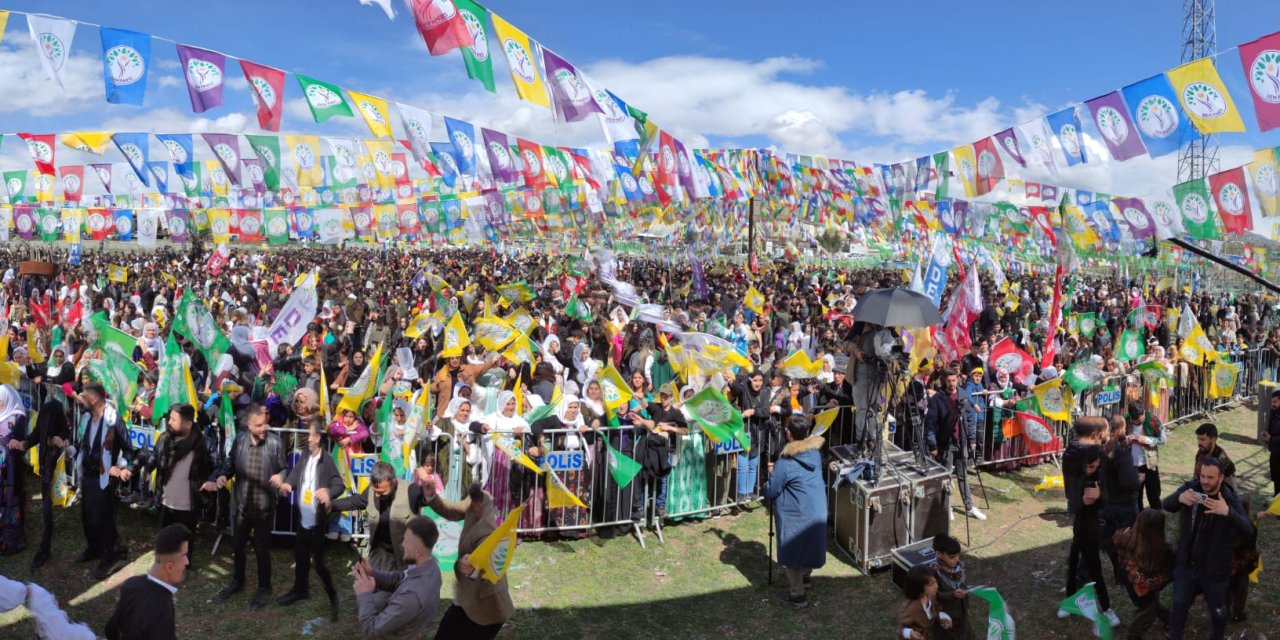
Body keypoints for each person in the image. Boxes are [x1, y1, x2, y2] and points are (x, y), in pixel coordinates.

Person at [203, 403, 288, 610]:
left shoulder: (275, 443)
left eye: (265, 424)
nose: (263, 429)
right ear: (249, 425)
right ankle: (238, 581)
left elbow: (285, 468)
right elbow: (229, 464)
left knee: (261, 550)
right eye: (259, 425)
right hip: (241, 506)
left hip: (264, 507)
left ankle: (264, 587)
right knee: (238, 546)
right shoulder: (240, 442)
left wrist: (281, 476)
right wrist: (222, 476)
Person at [1163, 457, 1253, 640]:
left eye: (1210, 477)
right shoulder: (1192, 487)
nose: (1204, 481)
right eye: (1202, 476)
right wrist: (1179, 498)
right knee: (1179, 605)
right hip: (1186, 564)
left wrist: (1227, 512)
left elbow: (1248, 529)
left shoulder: (1228, 497)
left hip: (1215, 570)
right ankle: (1175, 635)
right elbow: (1167, 505)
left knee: (1217, 609)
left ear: (1221, 478)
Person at [422, 481, 515, 640]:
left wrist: (473, 569)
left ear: (480, 505)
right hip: (467, 599)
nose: (470, 508)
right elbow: (452, 510)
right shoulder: (475, 502)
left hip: (486, 607)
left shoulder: (487, 531)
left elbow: (490, 567)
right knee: (446, 629)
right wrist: (431, 496)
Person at [276, 417, 346, 620]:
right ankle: (300, 590)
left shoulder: (327, 460)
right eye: (307, 435)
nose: (308, 439)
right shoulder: (306, 455)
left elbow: (339, 485)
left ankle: (333, 596)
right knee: (300, 556)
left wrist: (328, 492)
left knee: (319, 564)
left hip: (317, 522)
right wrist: (288, 484)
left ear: (318, 437)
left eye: (311, 435)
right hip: (303, 519)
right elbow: (297, 472)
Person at [132, 405, 214, 575]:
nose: (169, 422)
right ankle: (163, 564)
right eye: (170, 418)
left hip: (189, 503)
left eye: (173, 419)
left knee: (185, 538)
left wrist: (213, 480)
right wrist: (147, 468)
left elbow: (216, 465)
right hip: (166, 499)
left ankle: (184, 567)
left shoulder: (203, 444)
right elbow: (155, 456)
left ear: (188, 423)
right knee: (164, 537)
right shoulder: (165, 438)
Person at [66, 382, 135, 581]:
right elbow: (83, 444)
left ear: (94, 398)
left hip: (104, 477)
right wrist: (72, 450)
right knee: (87, 515)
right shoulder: (87, 419)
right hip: (87, 474)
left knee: (102, 518)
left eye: (84, 395)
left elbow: (129, 450)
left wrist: (120, 466)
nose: (81, 399)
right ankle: (94, 548)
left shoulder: (114, 421)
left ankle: (111, 554)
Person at [763, 416, 826, 609]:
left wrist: (771, 475)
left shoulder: (786, 461)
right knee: (809, 544)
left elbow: (772, 491)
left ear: (789, 433)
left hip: (797, 513)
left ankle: (797, 594)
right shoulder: (814, 453)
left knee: (793, 549)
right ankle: (806, 577)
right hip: (816, 509)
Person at [351, 516, 442, 640]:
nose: (402, 544)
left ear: (418, 551)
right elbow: (401, 579)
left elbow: (370, 629)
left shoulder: (411, 597)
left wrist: (364, 594)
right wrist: (372, 573)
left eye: (406, 540)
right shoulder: (431, 567)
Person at [330, 461, 427, 577]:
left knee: (405, 591)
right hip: (381, 554)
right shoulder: (372, 490)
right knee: (376, 591)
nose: (377, 496)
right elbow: (356, 501)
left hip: (406, 558)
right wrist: (331, 505)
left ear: (393, 482)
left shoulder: (411, 490)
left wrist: (425, 479)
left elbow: (429, 498)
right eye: (375, 491)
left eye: (382, 492)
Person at [1059, 445, 1119, 626]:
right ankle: (1069, 603)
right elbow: (1073, 503)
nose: (1088, 470)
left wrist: (1100, 496)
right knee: (1072, 567)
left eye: (1091, 467)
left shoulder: (1102, 478)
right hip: (1079, 531)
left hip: (1093, 534)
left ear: (1098, 463)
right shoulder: (1080, 476)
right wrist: (1082, 502)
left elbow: (1107, 502)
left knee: (1096, 573)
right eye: (1086, 466)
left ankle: (1107, 609)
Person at [11, 395, 71, 569]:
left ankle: (46, 546)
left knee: (49, 504)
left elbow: (66, 432)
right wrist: (24, 443)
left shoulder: (57, 407)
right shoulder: (46, 408)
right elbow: (38, 432)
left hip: (55, 463)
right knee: (46, 505)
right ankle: (45, 545)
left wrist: (61, 439)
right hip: (46, 462)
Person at [105, 523, 191, 640]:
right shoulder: (162, 611)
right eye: (184, 555)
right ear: (169, 567)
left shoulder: (132, 584)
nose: (187, 562)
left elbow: (111, 629)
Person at [925, 369, 984, 520]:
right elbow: (930, 423)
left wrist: (972, 439)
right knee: (946, 477)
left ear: (957, 379)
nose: (952, 384)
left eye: (954, 380)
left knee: (963, 474)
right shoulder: (937, 399)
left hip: (962, 441)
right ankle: (947, 506)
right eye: (949, 381)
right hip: (946, 443)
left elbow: (970, 418)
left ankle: (969, 506)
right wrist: (932, 445)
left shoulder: (963, 394)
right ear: (944, 380)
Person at [1112, 509, 1174, 640]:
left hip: (1132, 582)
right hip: (1143, 586)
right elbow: (1169, 571)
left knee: (1152, 603)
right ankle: (1133, 635)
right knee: (1148, 610)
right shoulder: (1161, 549)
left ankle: (1170, 619)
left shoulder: (1127, 538)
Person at [0, 384, 31, 556]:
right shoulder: (3, 414)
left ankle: (11, 543)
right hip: (3, 469)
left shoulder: (16, 416)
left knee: (11, 505)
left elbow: (9, 438)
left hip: (11, 471)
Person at [1126, 401, 1165, 509]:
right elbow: (1119, 437)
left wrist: (1147, 440)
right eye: (1134, 421)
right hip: (1133, 465)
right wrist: (1128, 439)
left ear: (1143, 412)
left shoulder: (1152, 419)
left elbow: (1163, 439)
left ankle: (1157, 519)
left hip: (1149, 464)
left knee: (1154, 495)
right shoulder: (1125, 419)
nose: (1136, 423)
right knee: (1136, 497)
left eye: (1139, 421)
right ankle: (1140, 522)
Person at [897, 565, 952, 640]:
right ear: (919, 587)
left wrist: (942, 617)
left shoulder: (931, 595)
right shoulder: (909, 609)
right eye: (931, 584)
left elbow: (935, 608)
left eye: (935, 582)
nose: (936, 586)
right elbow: (901, 628)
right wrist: (910, 633)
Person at [931, 534, 970, 640]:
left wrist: (966, 607)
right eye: (952, 557)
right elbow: (934, 595)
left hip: (961, 614)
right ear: (939, 554)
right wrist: (952, 594)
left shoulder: (959, 568)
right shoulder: (934, 572)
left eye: (958, 555)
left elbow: (963, 585)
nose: (957, 559)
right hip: (945, 616)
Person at [1193, 423, 1236, 490]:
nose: (1199, 443)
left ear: (1213, 439)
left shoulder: (1221, 459)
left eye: (1202, 439)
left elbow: (1230, 485)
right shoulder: (1201, 452)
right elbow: (1196, 476)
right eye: (1198, 439)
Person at [1264, 390, 1280, 496]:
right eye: (1272, 402)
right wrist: (1266, 435)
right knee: (1275, 477)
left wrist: (1271, 439)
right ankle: (1275, 500)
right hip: (1274, 451)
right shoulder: (1273, 411)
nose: (1272, 404)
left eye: (1275, 402)